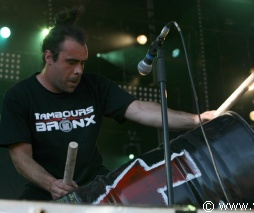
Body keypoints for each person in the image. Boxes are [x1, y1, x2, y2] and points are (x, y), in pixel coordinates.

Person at [0, 6, 215, 201]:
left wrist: (196, 120)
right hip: (45, 190)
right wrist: (51, 184)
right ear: (49, 57)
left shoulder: (94, 86)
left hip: (95, 184)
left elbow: (140, 109)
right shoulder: (20, 96)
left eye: (83, 63)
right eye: (71, 62)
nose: (79, 71)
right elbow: (21, 157)